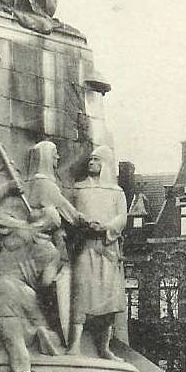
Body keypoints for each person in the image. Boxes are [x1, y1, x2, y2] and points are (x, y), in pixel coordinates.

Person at [0, 179, 68, 372]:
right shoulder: (51, 252)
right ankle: (42, 332)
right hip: (29, 295)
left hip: (6, 288)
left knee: (13, 342)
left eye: (38, 211)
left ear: (40, 220)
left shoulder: (18, 228)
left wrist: (6, 188)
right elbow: (47, 284)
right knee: (18, 339)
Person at [67, 146, 129, 359]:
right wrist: (83, 224)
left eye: (96, 160)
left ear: (105, 164)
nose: (91, 163)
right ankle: (74, 345)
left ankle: (104, 348)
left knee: (109, 300)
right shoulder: (79, 189)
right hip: (85, 246)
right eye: (90, 159)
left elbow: (122, 217)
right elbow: (70, 214)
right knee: (81, 294)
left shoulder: (116, 192)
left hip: (108, 248)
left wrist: (105, 227)